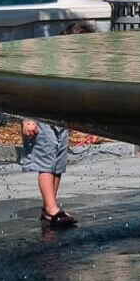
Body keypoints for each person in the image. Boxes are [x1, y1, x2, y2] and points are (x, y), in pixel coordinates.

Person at [20, 25, 97, 229]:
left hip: (60, 121)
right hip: (40, 118)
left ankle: (49, 206)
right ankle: (52, 207)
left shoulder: (73, 68)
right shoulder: (47, 64)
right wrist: (27, 119)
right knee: (45, 163)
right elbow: (26, 91)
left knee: (58, 164)